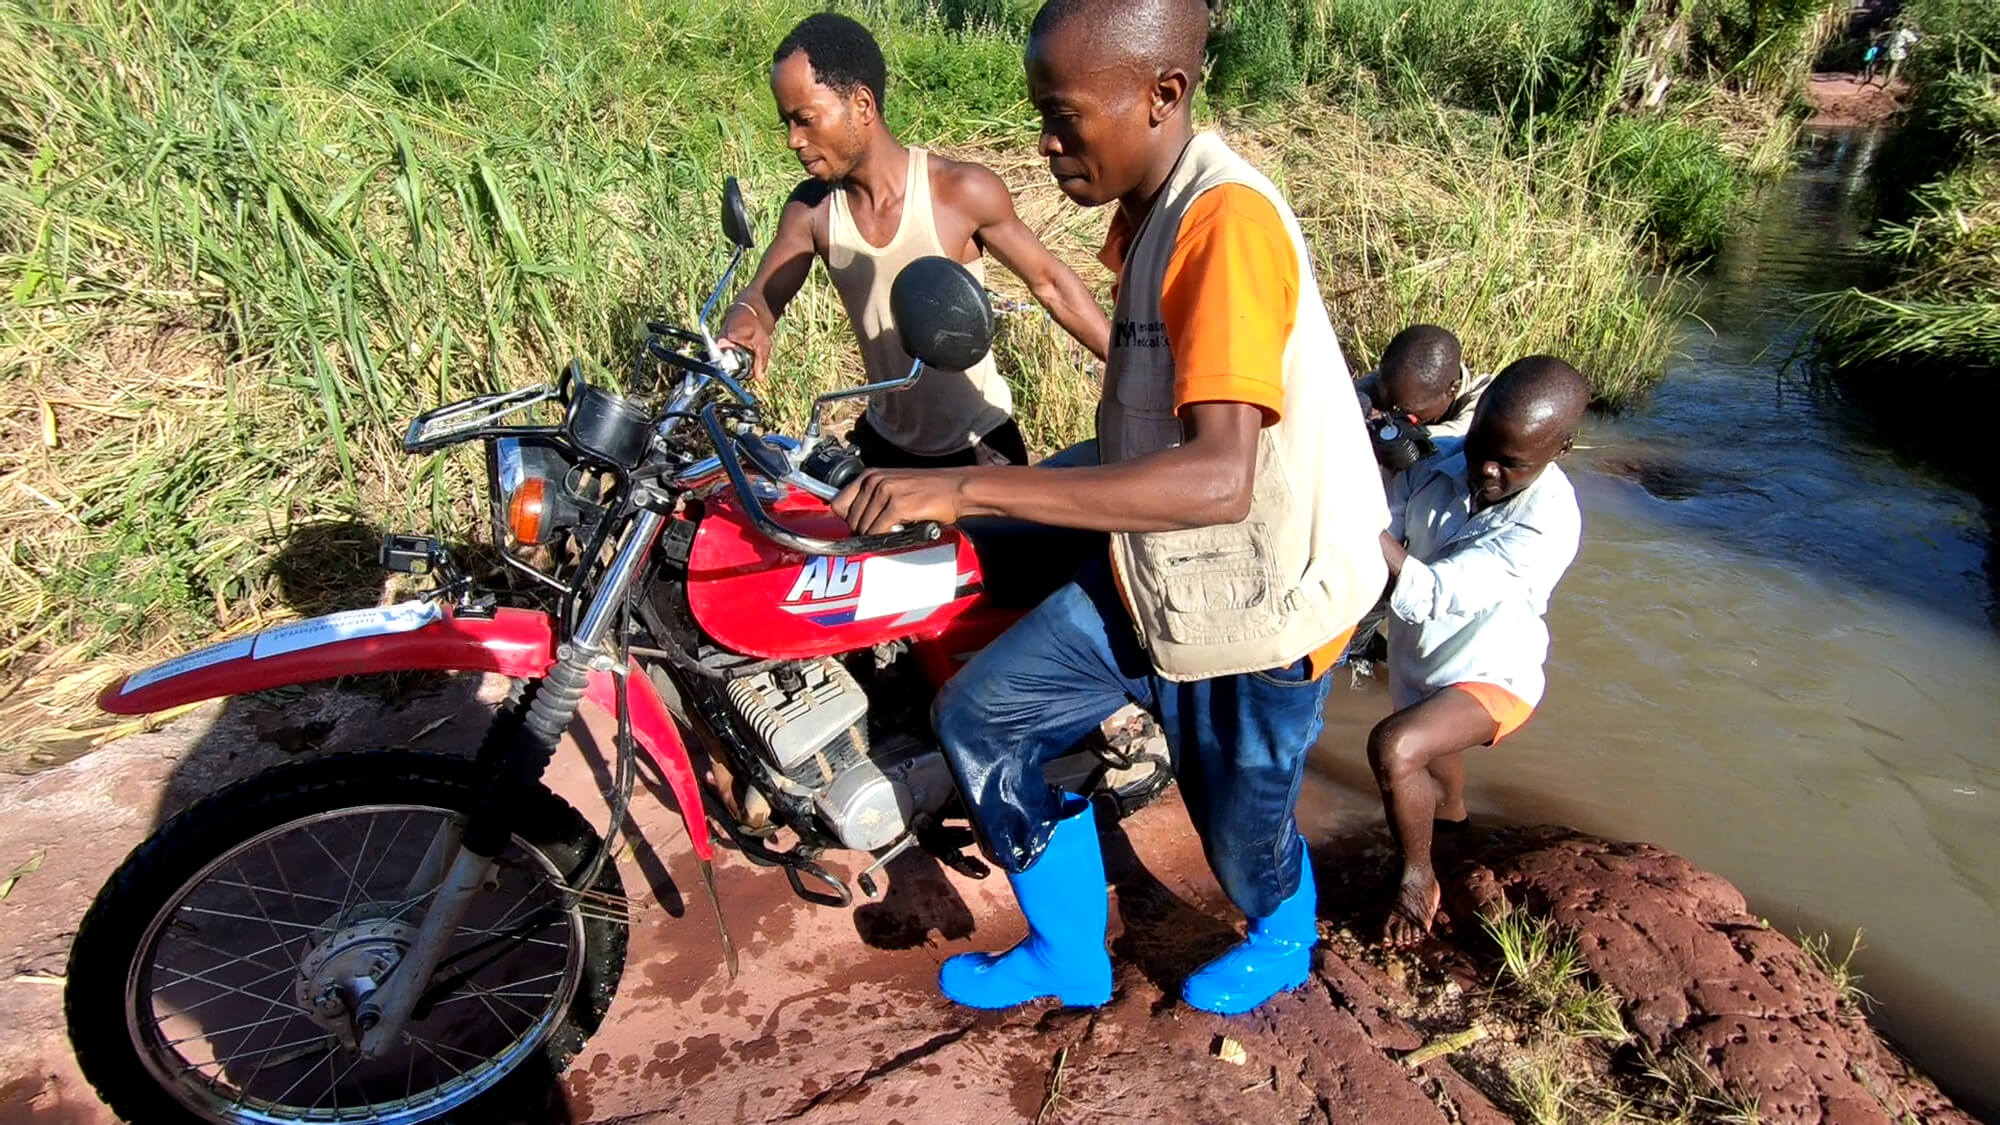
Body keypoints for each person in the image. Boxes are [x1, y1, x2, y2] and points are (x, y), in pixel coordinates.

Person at [831, 0, 1388, 1015]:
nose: (1044, 143)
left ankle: (1283, 930)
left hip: (1261, 608)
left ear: (1162, 95)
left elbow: (1219, 477)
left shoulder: (1223, 224)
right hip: (1156, 573)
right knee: (984, 716)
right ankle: (1069, 949)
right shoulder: (1149, 213)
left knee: (1239, 829)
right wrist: (990, 508)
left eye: (1063, 116)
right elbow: (1147, 429)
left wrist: (964, 484)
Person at [718, 13, 1110, 469]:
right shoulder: (813, 210)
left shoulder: (958, 192)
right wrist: (744, 321)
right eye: (787, 122)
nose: (792, 140)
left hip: (978, 446)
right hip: (885, 446)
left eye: (805, 119)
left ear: (862, 105)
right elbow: (764, 296)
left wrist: (1131, 367)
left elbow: (1051, 284)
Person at [1366, 356, 1587, 947]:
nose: (1486, 470)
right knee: (1439, 785)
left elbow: (1428, 590)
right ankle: (1457, 833)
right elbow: (1388, 522)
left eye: (1511, 463)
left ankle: (1418, 881)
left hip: (1495, 674)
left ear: (1561, 447)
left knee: (1395, 746)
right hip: (1422, 662)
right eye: (1480, 447)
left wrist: (1345, 518)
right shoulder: (1445, 457)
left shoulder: (1545, 526)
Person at [1359, 324, 1494, 448]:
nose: (1390, 412)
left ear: (1453, 390)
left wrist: (1385, 430)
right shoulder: (1395, 380)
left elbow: (1456, 436)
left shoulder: (1487, 403)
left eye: (1402, 410)